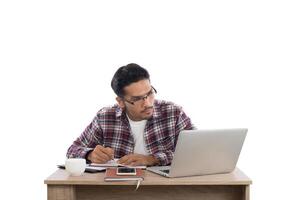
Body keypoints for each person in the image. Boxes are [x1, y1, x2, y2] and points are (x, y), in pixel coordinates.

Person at [66, 63, 194, 166]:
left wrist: (153, 159)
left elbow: (197, 151)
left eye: (149, 93)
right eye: (138, 99)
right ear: (121, 102)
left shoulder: (173, 113)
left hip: (165, 188)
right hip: (117, 189)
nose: (148, 103)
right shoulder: (105, 117)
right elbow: (72, 150)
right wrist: (89, 154)